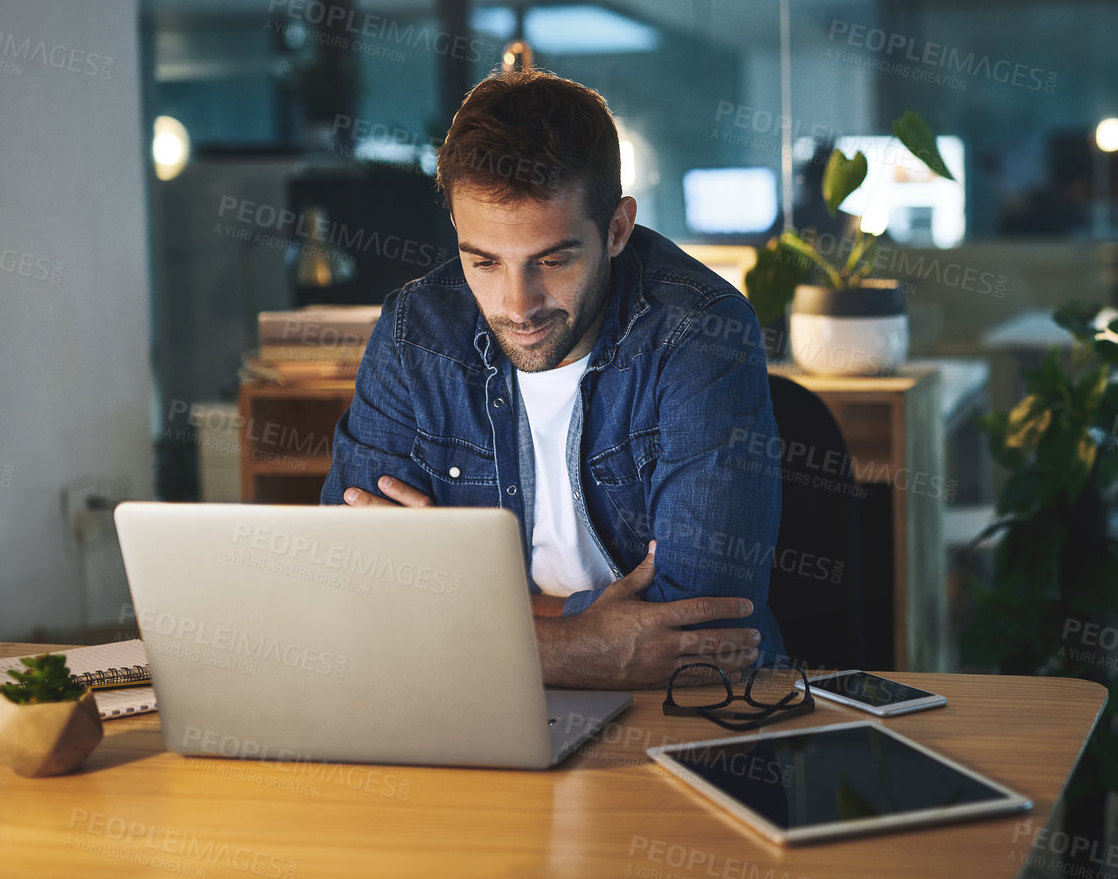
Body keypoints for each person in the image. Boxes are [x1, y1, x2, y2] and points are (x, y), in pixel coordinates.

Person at [321, 69, 783, 690]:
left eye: (553, 260)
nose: (518, 304)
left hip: (685, 706)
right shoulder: (415, 331)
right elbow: (349, 591)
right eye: (482, 261)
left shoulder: (699, 332)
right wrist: (571, 646)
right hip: (472, 698)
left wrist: (457, 602)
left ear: (617, 229)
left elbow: (700, 629)